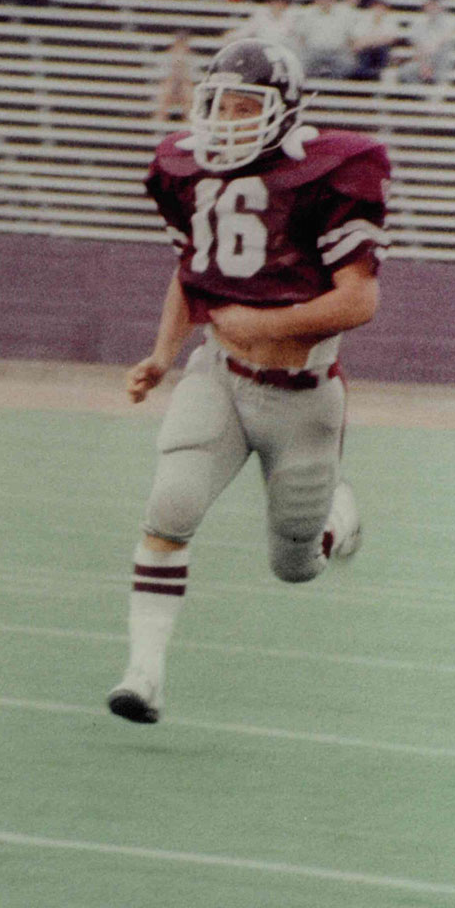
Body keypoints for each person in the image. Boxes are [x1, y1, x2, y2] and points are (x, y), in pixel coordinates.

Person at [107, 37, 389, 724]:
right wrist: (163, 351)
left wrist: (264, 325)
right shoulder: (187, 170)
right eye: (220, 104)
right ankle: (142, 675)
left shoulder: (330, 172)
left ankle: (336, 516)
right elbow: (191, 271)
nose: (229, 119)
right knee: (170, 507)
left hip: (302, 399)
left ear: (285, 111)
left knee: (293, 565)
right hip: (218, 378)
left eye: (245, 106)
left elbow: (358, 301)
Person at [294, 0, 360, 77]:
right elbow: (301, 38)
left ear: (333, 0)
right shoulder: (308, 14)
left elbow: (351, 38)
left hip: (337, 52)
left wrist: (349, 51)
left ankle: (336, 87)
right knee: (301, 65)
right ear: (317, 1)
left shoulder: (344, 14)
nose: (325, 2)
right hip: (314, 51)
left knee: (349, 65)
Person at [397, 0, 455, 85]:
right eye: (429, 4)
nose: (432, 7)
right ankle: (420, 96)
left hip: (442, 62)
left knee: (442, 65)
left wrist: (428, 62)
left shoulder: (450, 20)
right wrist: (424, 65)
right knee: (405, 72)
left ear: (441, 6)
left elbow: (442, 40)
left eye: (435, 4)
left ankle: (436, 93)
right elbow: (418, 46)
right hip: (423, 60)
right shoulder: (419, 22)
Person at [350, 0, 400, 79]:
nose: (378, 9)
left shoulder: (391, 19)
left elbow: (390, 38)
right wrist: (374, 40)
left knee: (380, 50)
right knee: (362, 56)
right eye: (376, 6)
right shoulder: (364, 18)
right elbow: (357, 40)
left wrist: (370, 40)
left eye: (381, 6)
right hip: (365, 51)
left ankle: (376, 76)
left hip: (381, 51)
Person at [152, 31, 196, 120]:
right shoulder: (165, 57)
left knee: (187, 90)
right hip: (169, 88)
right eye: (178, 45)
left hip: (184, 89)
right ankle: (159, 122)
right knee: (166, 89)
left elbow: (193, 79)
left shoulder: (192, 58)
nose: (181, 49)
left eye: (183, 45)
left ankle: (189, 123)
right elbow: (161, 78)